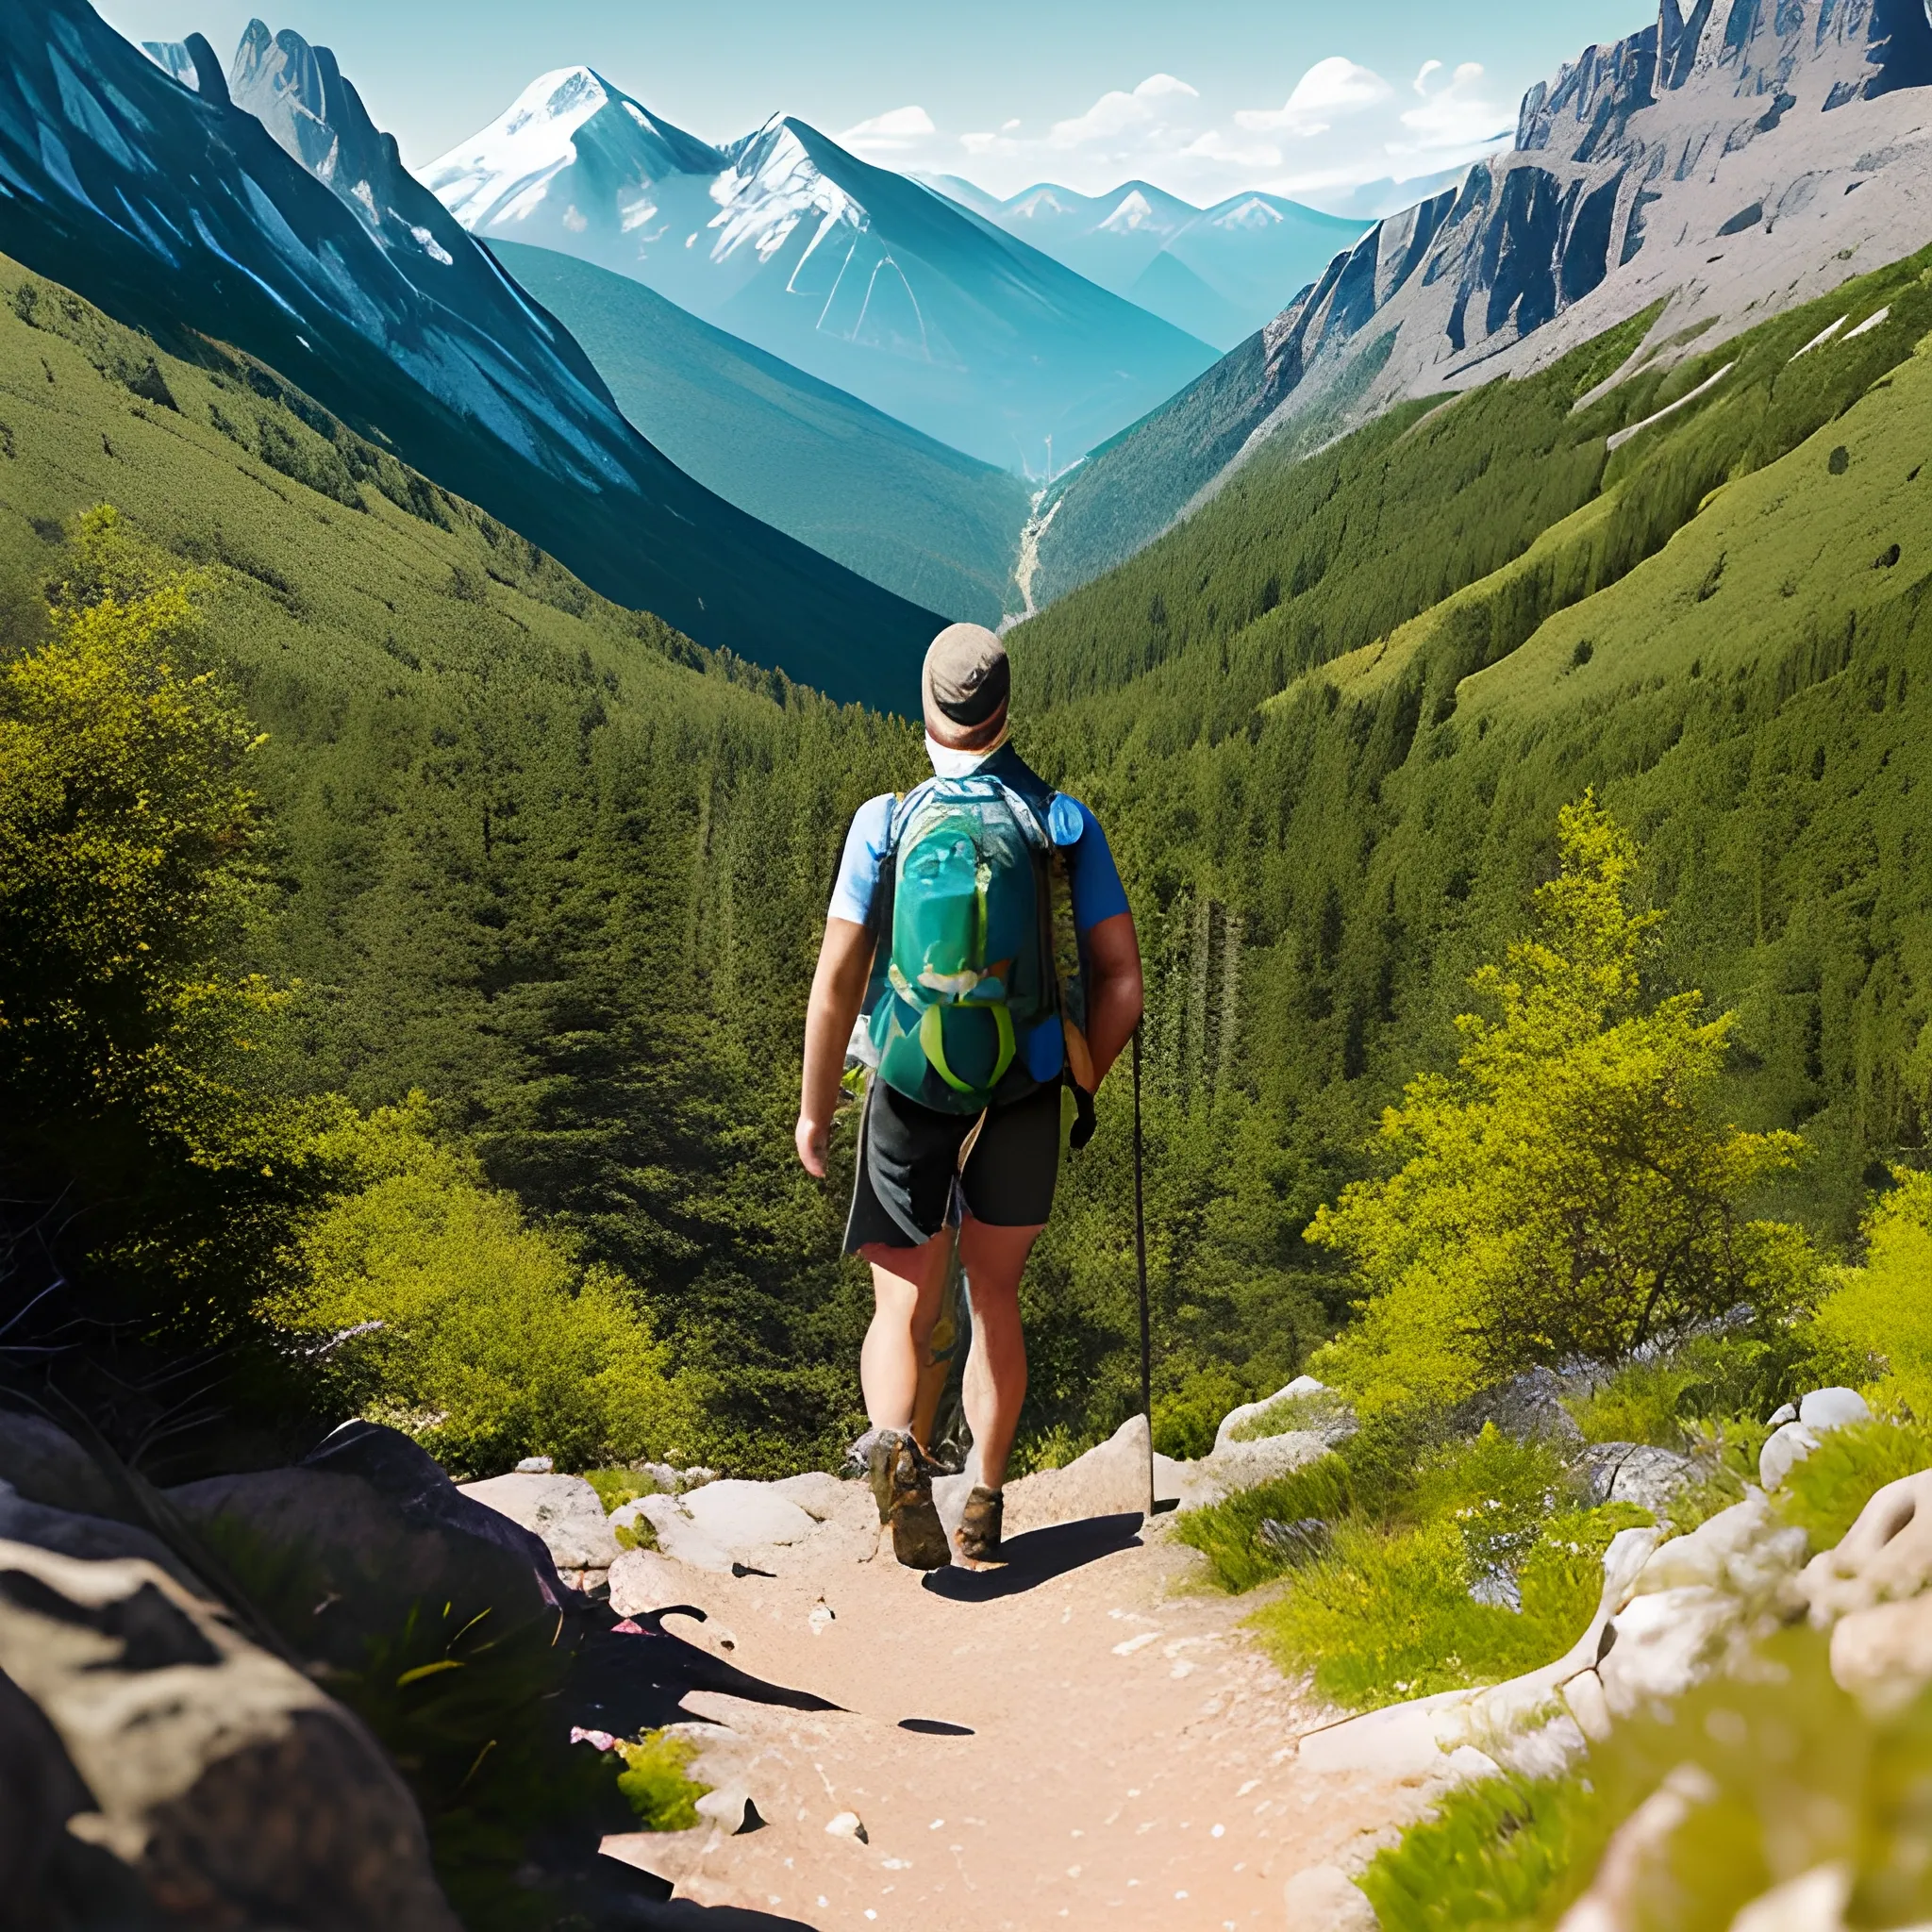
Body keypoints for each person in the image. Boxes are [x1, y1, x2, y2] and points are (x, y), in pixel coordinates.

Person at [794, 624, 1144, 1569]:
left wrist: (815, 1107)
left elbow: (835, 980)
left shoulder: (887, 821)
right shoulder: (1060, 822)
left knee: (898, 1305)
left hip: (907, 1087)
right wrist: (1077, 1070)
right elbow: (1120, 984)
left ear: (927, 709)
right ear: (1003, 709)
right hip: (1023, 1087)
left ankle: (899, 1454)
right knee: (995, 1298)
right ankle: (983, 1498)